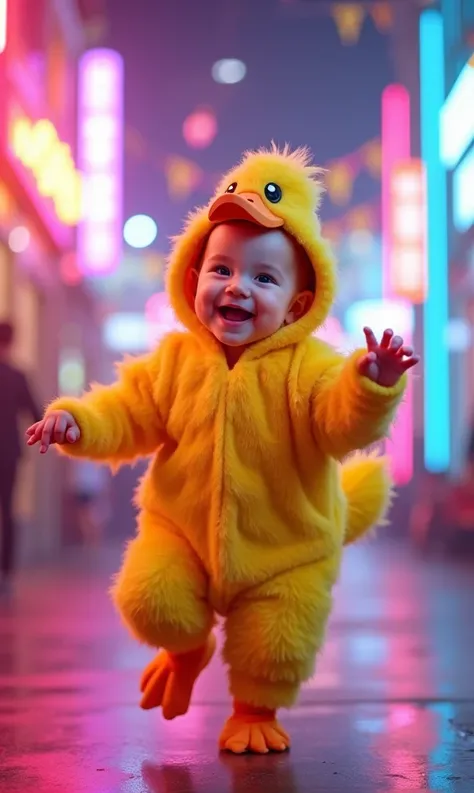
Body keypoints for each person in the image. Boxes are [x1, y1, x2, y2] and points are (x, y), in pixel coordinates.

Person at [26, 145, 419, 754]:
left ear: (297, 303)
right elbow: (126, 410)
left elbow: (340, 423)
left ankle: (253, 710)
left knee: (275, 643)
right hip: (182, 533)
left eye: (264, 278)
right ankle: (188, 649)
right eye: (222, 270)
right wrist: (78, 421)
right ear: (193, 277)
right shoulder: (176, 359)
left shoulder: (311, 367)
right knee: (148, 598)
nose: (238, 288)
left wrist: (372, 384)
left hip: (288, 548)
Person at [0, 321, 41, 588]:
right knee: (8, 512)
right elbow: (35, 416)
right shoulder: (17, 376)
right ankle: (6, 574)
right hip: (8, 453)